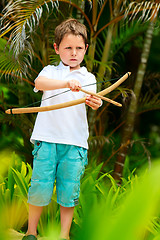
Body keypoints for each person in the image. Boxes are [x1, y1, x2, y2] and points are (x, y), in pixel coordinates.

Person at [22, 18, 102, 240]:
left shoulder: (88, 77)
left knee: (69, 191)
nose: (73, 53)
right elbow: (39, 84)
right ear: (57, 49)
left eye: (79, 48)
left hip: (75, 144)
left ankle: (64, 235)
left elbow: (93, 99)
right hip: (47, 139)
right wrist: (66, 83)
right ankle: (31, 232)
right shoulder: (50, 71)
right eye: (68, 48)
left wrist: (96, 102)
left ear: (86, 49)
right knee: (40, 186)